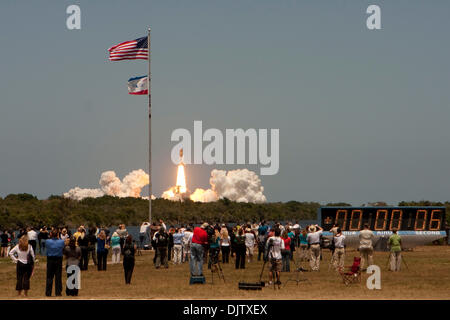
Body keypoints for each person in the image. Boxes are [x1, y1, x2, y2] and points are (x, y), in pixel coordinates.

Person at [45, 229, 65, 296]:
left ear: (51, 234)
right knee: (58, 277)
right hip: (58, 259)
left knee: (49, 277)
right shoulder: (61, 242)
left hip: (50, 259)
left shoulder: (47, 241)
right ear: (57, 235)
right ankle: (58, 292)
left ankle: (48, 292)